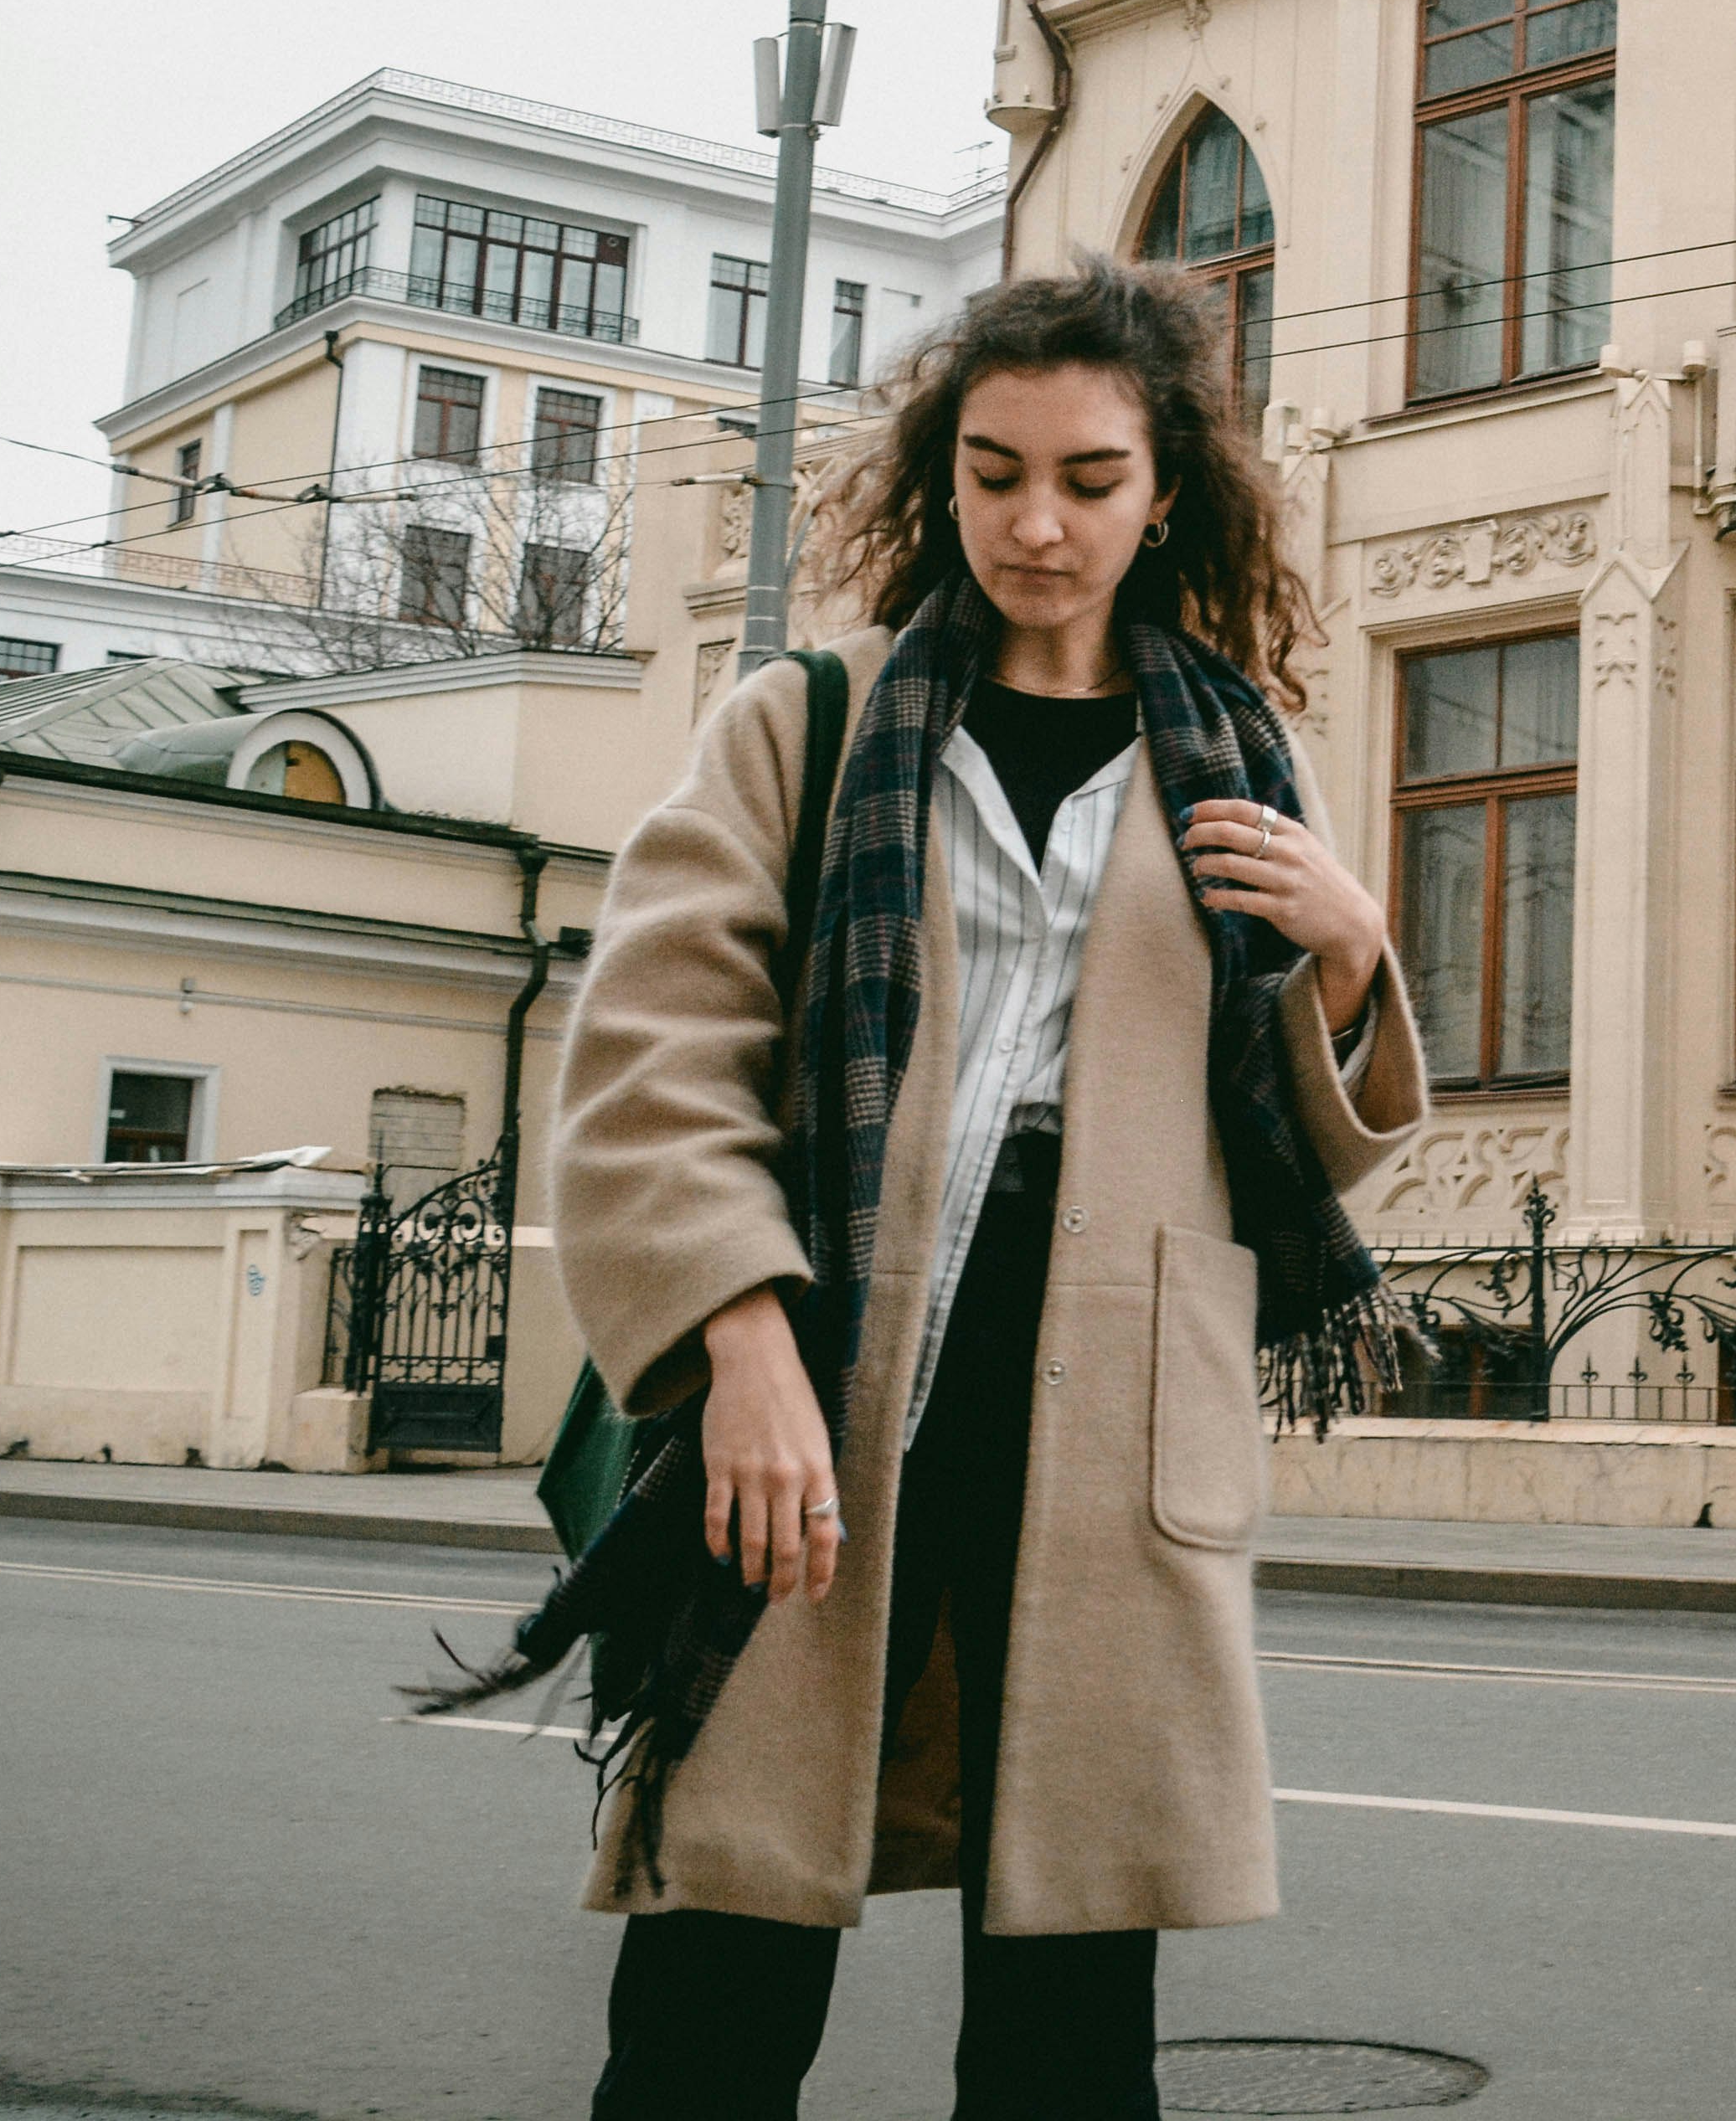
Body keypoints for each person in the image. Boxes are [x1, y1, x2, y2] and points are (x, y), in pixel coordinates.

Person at [531, 260, 1424, 2118]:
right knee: (724, 1949)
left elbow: (1287, 1148)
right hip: (840, 1342)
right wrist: (740, 1344)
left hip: (1108, 1383)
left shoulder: (1242, 751)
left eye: (1090, 478)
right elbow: (654, 1052)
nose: (1039, 521)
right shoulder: (816, 718)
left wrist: (1347, 954)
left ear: (1163, 485)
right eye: (996, 469)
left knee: (1071, 1994)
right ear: (942, 473)